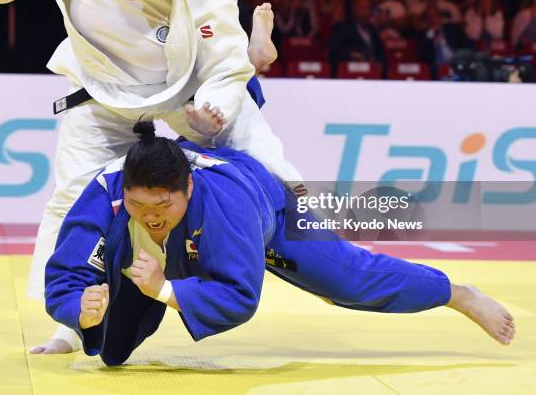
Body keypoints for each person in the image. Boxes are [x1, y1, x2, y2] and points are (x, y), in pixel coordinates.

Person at [0, 0, 299, 353]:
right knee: (69, 198)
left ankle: (321, 242)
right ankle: (67, 321)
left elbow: (225, 65)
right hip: (101, 89)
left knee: (268, 162)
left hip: (186, 91)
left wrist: (214, 113)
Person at [45, 122, 516, 367]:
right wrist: (78, 311)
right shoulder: (104, 197)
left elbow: (241, 296)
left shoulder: (227, 206)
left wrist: (165, 291)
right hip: (151, 263)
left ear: (187, 189)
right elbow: (66, 275)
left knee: (351, 281)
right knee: (110, 351)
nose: (150, 215)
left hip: (270, 216)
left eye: (163, 206)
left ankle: (457, 293)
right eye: (138, 203)